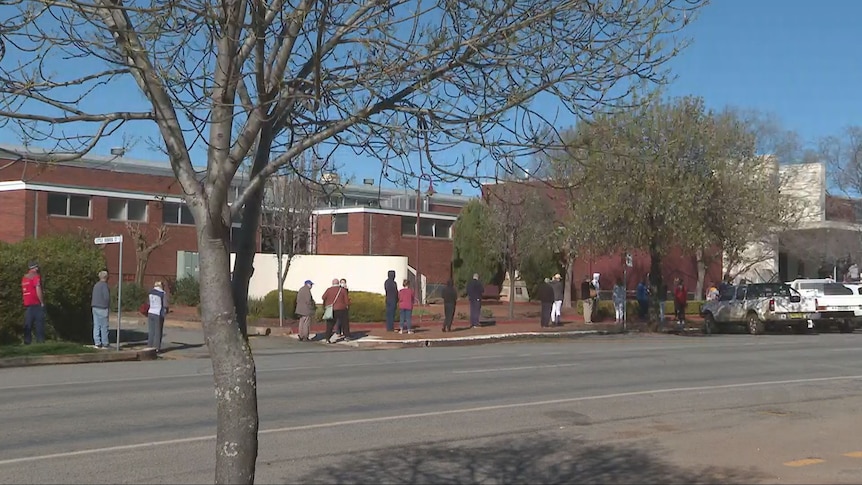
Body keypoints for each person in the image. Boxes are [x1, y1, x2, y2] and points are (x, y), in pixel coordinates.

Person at [21, 260, 45, 345]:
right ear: (35, 268)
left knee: (28, 323)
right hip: (36, 302)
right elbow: (37, 289)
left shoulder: (24, 277)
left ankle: (27, 341)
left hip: (28, 303)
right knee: (39, 323)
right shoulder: (35, 276)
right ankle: (40, 341)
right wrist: (42, 302)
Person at [321, 278, 348, 343]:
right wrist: (347, 305)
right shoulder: (342, 290)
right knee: (344, 323)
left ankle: (327, 338)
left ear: (332, 283)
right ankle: (346, 336)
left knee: (330, 324)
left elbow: (323, 297)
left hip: (331, 309)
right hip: (341, 309)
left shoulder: (329, 290)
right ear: (338, 283)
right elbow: (346, 300)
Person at [91, 270, 111, 349]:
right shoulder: (104, 285)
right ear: (106, 277)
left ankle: (97, 342)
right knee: (104, 326)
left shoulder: (96, 285)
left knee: (96, 325)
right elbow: (106, 297)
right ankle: (105, 343)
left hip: (95, 306)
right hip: (102, 307)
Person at [146, 281, 168, 352]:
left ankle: (149, 346)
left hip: (150, 312)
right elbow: (165, 305)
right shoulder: (162, 293)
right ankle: (156, 348)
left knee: (151, 331)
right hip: (158, 313)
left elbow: (148, 303)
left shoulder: (150, 292)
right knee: (158, 331)